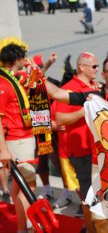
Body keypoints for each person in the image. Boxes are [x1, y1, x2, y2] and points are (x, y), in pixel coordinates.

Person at [55, 52, 99, 232]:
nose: (97, 69)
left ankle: (89, 224)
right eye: (94, 66)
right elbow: (59, 119)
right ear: (82, 67)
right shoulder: (69, 89)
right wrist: (86, 109)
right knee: (89, 194)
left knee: (97, 193)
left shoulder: (94, 86)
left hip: (96, 149)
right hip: (81, 151)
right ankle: (90, 227)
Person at [0, 38, 36, 232]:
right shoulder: (4, 83)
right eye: (24, 57)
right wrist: (4, 149)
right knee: (28, 186)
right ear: (16, 59)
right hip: (17, 139)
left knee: (18, 186)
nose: (26, 60)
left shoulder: (12, 79)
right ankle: (26, 229)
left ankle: (22, 228)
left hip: (21, 137)